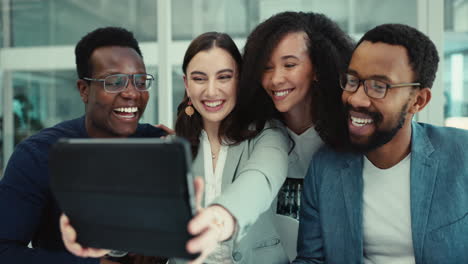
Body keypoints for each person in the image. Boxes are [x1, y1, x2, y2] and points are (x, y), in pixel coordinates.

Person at [62, 31, 290, 264]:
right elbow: (139, 218)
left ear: (239, 81)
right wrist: (98, 234)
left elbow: (259, 180)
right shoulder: (171, 149)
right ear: (187, 84)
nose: (211, 91)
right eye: (199, 78)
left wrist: (220, 219)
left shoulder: (268, 135)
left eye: (224, 77)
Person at [293, 23, 468, 264]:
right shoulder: (325, 166)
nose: (356, 98)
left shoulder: (462, 155)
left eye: (379, 87)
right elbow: (312, 259)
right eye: (353, 80)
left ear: (418, 100)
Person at [0, 27, 166, 264]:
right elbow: (4, 251)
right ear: (84, 90)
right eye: (115, 82)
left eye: (140, 81)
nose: (132, 93)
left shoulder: (159, 145)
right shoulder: (39, 156)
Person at [240, 11, 354, 217]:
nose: (275, 79)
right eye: (266, 68)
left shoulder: (351, 134)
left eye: (290, 65)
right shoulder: (255, 134)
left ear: (318, 68)